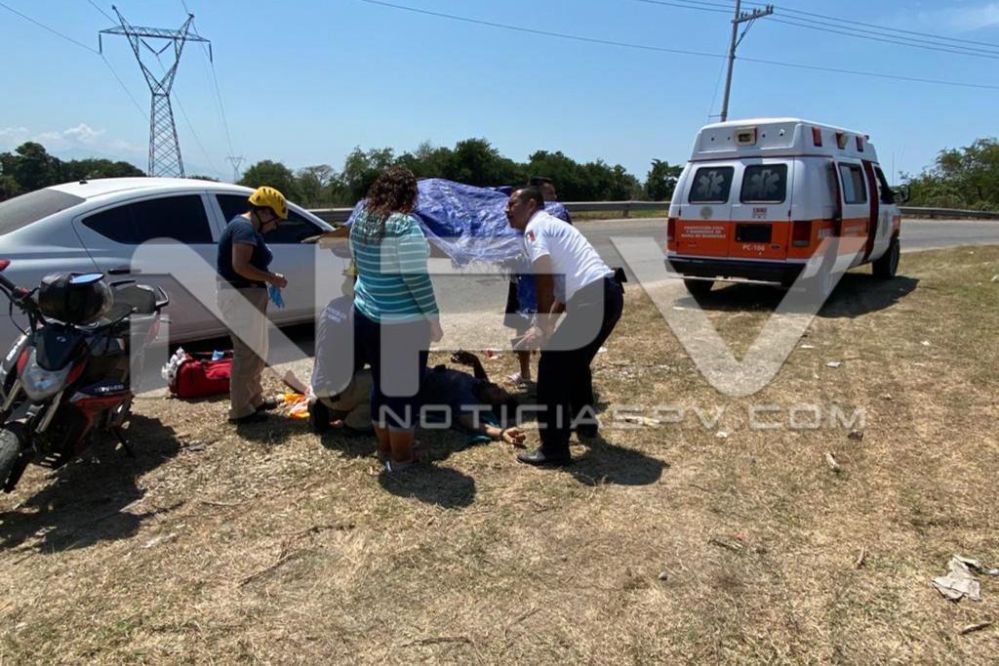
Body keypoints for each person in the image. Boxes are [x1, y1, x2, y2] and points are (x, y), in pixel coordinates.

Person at [505, 186, 624, 467]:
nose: (506, 210)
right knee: (576, 363)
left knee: (551, 369)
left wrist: (542, 326)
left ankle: (554, 449)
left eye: (512, 204)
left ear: (531, 204)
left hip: (593, 299)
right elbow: (561, 292)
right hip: (610, 295)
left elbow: (544, 280)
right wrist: (546, 324)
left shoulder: (535, 228)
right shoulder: (552, 226)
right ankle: (585, 423)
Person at [350, 166, 443, 471]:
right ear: (409, 195)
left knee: (381, 384)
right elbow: (416, 280)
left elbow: (357, 265)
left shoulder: (361, 219)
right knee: (403, 391)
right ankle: (402, 457)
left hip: (366, 314)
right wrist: (433, 319)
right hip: (401, 322)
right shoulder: (404, 226)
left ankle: (385, 447)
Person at [216, 185, 289, 424]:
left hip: (249, 294)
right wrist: (272, 278)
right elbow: (240, 266)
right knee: (246, 352)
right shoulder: (244, 229)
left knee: (257, 351)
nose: (274, 227)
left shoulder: (247, 228)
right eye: (275, 221)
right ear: (264, 212)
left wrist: (268, 278)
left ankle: (254, 399)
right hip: (241, 295)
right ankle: (240, 409)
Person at [504, 176, 571, 388]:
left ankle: (548, 375)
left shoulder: (552, 218)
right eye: (550, 194)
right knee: (521, 326)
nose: (555, 198)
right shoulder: (519, 217)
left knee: (546, 327)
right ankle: (525, 372)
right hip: (522, 282)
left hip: (545, 281)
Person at [422, 351, 525, 446]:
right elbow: (484, 380)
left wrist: (501, 433)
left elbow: (473, 424)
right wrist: (476, 362)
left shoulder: (467, 402)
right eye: (500, 389)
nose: (495, 386)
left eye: (497, 392)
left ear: (489, 403)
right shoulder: (481, 387)